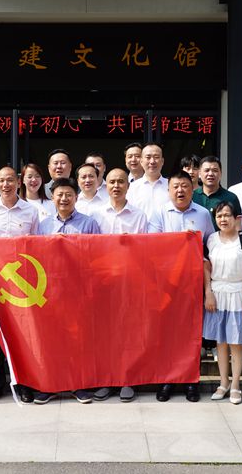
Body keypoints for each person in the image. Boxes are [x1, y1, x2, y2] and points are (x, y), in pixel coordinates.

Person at [149, 171, 214, 403]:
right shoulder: (159, 212)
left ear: (192, 188)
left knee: (191, 332)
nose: (180, 190)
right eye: (175, 186)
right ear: (168, 190)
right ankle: (167, 379)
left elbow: (210, 246)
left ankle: (190, 381)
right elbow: (153, 245)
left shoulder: (203, 214)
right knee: (167, 331)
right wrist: (178, 241)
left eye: (185, 186)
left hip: (193, 282)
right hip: (167, 282)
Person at [0, 166, 40, 403]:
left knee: (23, 335)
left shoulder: (30, 210)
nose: (6, 185)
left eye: (10, 180)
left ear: (18, 182)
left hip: (23, 283)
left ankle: (24, 383)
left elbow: (36, 244)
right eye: (2, 181)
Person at [34, 178, 99, 404]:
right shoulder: (43, 226)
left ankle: (78, 385)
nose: (64, 199)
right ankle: (50, 385)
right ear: (52, 198)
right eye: (59, 195)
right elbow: (37, 257)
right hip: (50, 291)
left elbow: (96, 256)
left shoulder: (89, 224)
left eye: (68, 195)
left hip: (78, 291)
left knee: (78, 339)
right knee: (51, 339)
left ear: (76, 197)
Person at [92, 168, 147, 402]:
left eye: (121, 182)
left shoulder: (139, 215)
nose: (116, 186)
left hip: (130, 282)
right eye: (112, 182)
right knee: (105, 333)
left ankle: (127, 379)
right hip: (103, 282)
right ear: (105, 186)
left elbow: (145, 250)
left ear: (128, 185)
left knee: (128, 332)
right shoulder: (96, 215)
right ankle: (107, 379)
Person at [203, 201, 242, 405]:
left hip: (238, 293)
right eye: (219, 216)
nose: (223, 219)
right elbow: (206, 268)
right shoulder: (211, 239)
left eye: (227, 215)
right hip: (217, 294)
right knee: (221, 342)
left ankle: (235, 384)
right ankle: (223, 382)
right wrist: (208, 292)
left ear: (236, 218)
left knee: (236, 342)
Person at [192, 155, 242, 231]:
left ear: (221, 173)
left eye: (215, 170)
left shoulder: (231, 198)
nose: (210, 174)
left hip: (222, 238)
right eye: (207, 170)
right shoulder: (192, 196)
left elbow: (237, 226)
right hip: (197, 238)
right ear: (199, 174)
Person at [127, 142, 169, 220]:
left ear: (162, 161)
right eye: (148, 157)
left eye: (156, 157)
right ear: (141, 161)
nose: (152, 161)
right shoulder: (132, 188)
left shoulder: (171, 186)